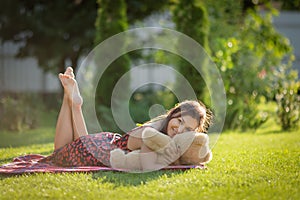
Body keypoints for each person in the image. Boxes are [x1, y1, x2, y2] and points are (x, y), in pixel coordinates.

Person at [40, 67, 213, 170]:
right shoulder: (159, 134)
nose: (180, 129)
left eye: (188, 130)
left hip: (107, 143)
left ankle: (72, 101)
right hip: (106, 150)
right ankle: (70, 100)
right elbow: (147, 160)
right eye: (180, 121)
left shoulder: (163, 127)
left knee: (81, 142)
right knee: (59, 152)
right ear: (172, 115)